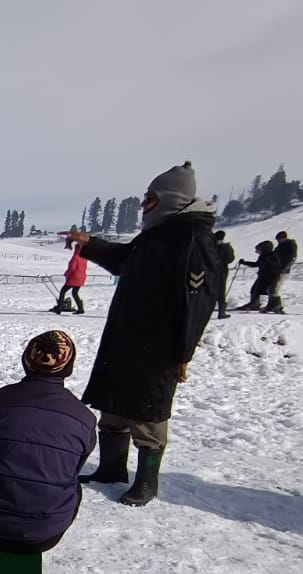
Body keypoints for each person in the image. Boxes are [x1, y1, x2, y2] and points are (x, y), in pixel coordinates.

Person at [60, 160, 222, 507]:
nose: (143, 205)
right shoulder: (158, 233)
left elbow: (199, 303)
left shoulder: (193, 237)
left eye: (149, 199)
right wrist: (89, 243)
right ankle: (111, 468)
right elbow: (125, 260)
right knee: (114, 402)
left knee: (148, 411)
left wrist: (184, 353)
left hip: (159, 346)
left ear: (169, 199)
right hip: (126, 339)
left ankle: (147, 482)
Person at [0, 331, 95, 553]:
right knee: (74, 488)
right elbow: (73, 468)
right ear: (67, 366)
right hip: (44, 536)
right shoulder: (84, 417)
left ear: (27, 360)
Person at [236, 240, 282, 313]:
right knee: (255, 289)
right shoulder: (263, 256)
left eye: (258, 250)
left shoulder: (273, 255)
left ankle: (275, 305)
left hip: (271, 277)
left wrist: (268, 262)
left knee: (271, 290)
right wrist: (244, 262)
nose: (257, 252)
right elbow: (257, 264)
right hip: (263, 276)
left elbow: (277, 265)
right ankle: (254, 304)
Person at [51, 242, 87, 314]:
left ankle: (59, 308)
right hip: (82, 277)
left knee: (63, 291)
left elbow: (72, 268)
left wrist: (66, 273)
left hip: (74, 277)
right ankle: (81, 308)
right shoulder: (84, 258)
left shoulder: (75, 257)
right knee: (75, 293)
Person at [272, 230, 298, 314]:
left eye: (279, 239)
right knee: (272, 288)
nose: (278, 241)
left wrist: (285, 268)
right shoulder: (280, 246)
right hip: (277, 269)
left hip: (283, 270)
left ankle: (279, 305)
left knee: (276, 288)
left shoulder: (290, 245)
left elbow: (292, 258)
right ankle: (272, 304)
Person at [213, 230, 235, 318]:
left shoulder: (209, 246)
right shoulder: (226, 247)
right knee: (221, 289)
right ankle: (221, 312)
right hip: (222, 270)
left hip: (209, 270)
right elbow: (230, 259)